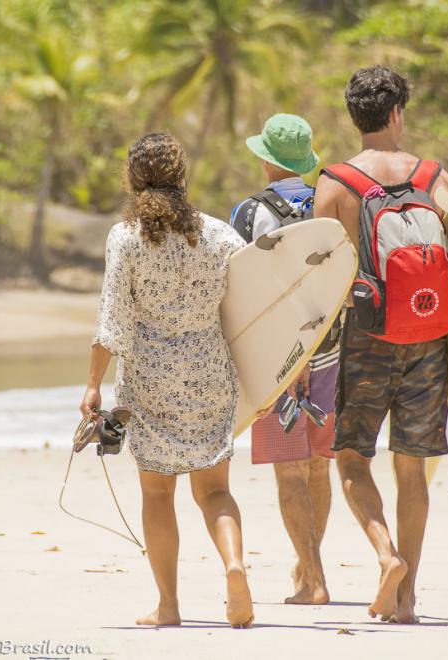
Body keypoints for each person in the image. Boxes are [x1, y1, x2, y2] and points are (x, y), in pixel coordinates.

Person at [313, 65, 448, 624]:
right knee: (412, 471)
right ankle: (408, 598)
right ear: (396, 113)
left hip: (366, 341)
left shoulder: (336, 183)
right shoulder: (436, 177)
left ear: (356, 117)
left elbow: (318, 277)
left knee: (351, 460)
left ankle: (386, 557)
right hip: (430, 340)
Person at [80, 132, 254, 629]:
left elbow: (111, 320)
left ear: (133, 181)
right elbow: (252, 307)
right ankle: (234, 564)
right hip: (208, 370)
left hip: (149, 375)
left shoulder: (125, 238)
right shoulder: (220, 235)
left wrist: (93, 384)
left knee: (158, 494)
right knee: (215, 491)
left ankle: (169, 606)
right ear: (182, 177)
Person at [229, 113, 336, 605]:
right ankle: (307, 564)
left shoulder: (250, 214)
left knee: (289, 472)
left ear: (265, 159)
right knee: (319, 467)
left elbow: (243, 291)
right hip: (333, 353)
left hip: (278, 358)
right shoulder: (331, 203)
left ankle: (313, 579)